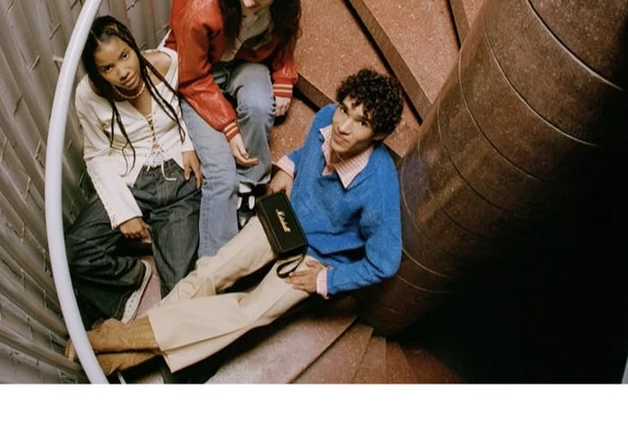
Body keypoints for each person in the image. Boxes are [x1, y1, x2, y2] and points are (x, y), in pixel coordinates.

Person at [84, 68, 405, 376]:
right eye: (345, 109)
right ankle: (119, 350)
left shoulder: (378, 186)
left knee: (248, 313)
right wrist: (289, 167)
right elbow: (307, 151)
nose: (343, 126)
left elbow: (385, 262)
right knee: (210, 271)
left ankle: (116, 344)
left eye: (361, 122)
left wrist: (327, 280)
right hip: (286, 220)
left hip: (317, 256)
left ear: (378, 134)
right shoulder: (327, 118)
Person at [164, 0, 301, 257]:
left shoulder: (285, 5)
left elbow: (286, 36)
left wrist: (283, 77)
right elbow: (193, 79)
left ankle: (249, 183)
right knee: (221, 177)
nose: (248, 2)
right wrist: (228, 127)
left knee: (260, 104)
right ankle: (213, 268)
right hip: (199, 78)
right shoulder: (200, 10)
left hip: (244, 62)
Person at [64, 16, 202, 332]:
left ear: (132, 44)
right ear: (96, 72)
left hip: (178, 178)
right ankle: (132, 280)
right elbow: (96, 154)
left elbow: (194, 102)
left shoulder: (167, 63)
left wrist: (187, 142)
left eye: (125, 56)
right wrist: (123, 212)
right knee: (75, 250)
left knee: (181, 291)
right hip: (127, 180)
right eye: (107, 68)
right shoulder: (88, 95)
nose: (123, 72)